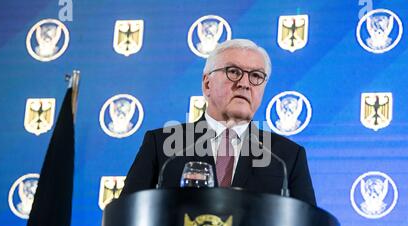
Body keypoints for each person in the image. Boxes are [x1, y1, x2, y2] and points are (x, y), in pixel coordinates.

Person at [121, 39, 316, 206]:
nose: (245, 83)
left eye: (256, 76)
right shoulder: (162, 145)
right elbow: (126, 216)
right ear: (207, 84)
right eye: (233, 71)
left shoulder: (286, 158)